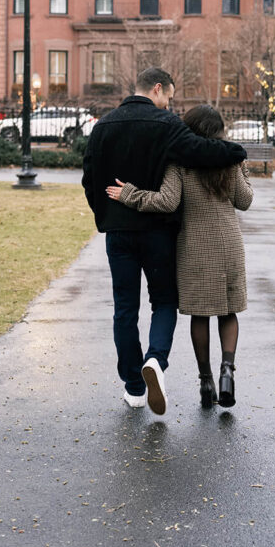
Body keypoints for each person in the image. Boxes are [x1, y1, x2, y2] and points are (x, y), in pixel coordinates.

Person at [81, 68, 246, 415]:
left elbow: (89, 180)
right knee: (164, 302)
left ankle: (134, 388)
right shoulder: (166, 124)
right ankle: (156, 359)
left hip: (118, 233)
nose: (169, 103)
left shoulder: (102, 127)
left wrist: (106, 215)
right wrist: (236, 152)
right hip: (157, 232)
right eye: (169, 96)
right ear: (157, 89)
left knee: (125, 309)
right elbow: (203, 150)